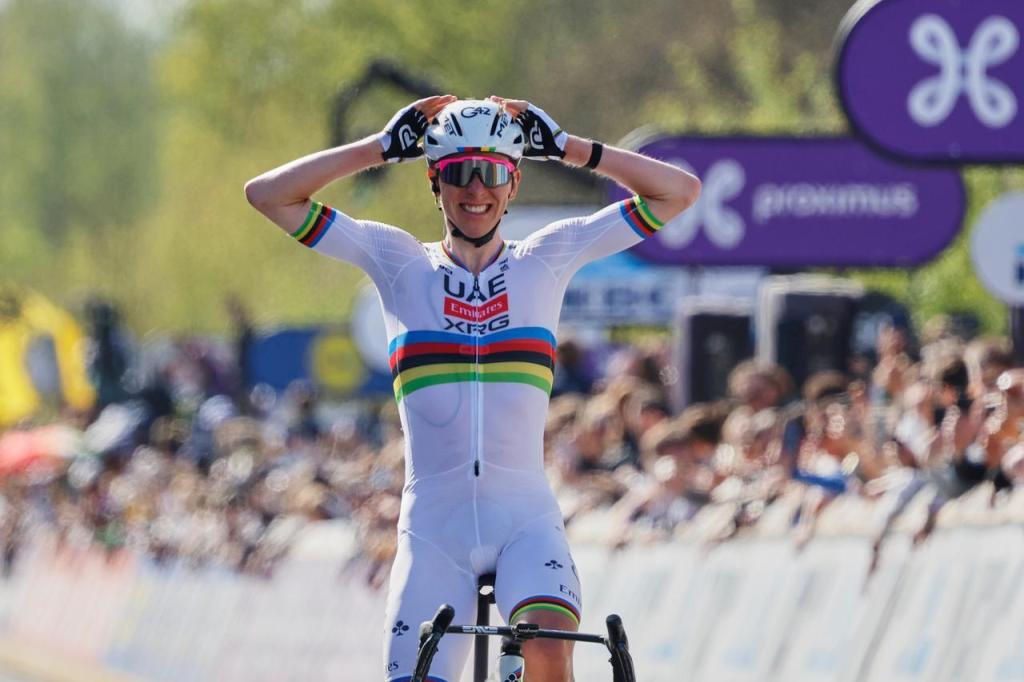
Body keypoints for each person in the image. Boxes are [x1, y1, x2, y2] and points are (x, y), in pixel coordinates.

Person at [245, 94, 700, 682]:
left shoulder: (546, 258)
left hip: (525, 525)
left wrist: (568, 148)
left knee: (546, 648)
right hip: (435, 533)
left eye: (493, 173)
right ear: (435, 181)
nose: (477, 189)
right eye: (460, 172)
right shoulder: (397, 262)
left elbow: (678, 192)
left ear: (514, 184)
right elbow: (268, 195)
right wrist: (379, 148)